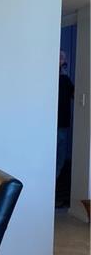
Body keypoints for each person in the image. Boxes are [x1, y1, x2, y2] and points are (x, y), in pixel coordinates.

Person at [56, 50, 74, 190]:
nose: (63, 60)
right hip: (51, 122)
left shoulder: (65, 79)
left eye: (64, 58)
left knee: (60, 155)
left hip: (62, 122)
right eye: (61, 57)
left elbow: (75, 94)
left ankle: (55, 181)